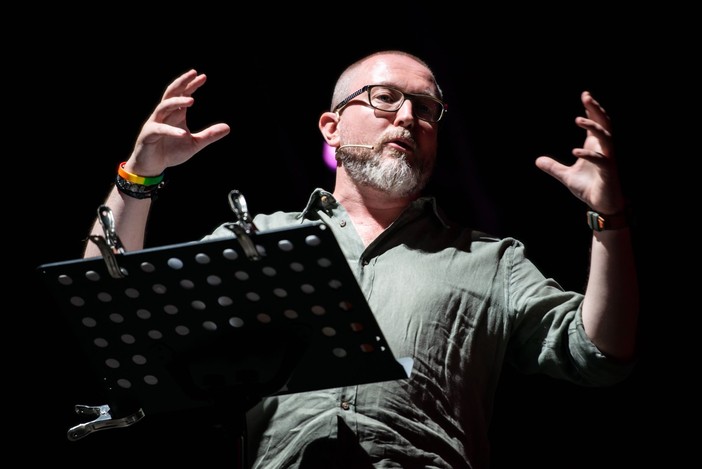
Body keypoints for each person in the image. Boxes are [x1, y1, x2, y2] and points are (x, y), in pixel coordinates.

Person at [83, 50, 639, 468]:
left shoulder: (490, 260)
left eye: (425, 109)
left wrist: (608, 221)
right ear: (331, 127)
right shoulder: (257, 239)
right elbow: (110, 305)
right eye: (385, 98)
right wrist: (139, 176)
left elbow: (599, 353)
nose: (407, 118)